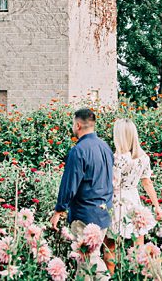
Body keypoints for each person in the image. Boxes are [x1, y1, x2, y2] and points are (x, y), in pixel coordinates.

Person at [50, 108, 115, 273]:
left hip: (84, 214)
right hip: (103, 213)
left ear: (78, 125)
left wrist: (59, 210)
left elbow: (69, 184)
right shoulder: (106, 147)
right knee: (89, 261)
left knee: (88, 262)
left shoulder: (78, 150)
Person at [111, 118, 162, 244]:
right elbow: (147, 183)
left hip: (116, 200)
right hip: (133, 199)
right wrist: (157, 207)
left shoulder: (116, 159)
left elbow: (113, 184)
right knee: (138, 241)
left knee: (111, 245)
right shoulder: (143, 158)